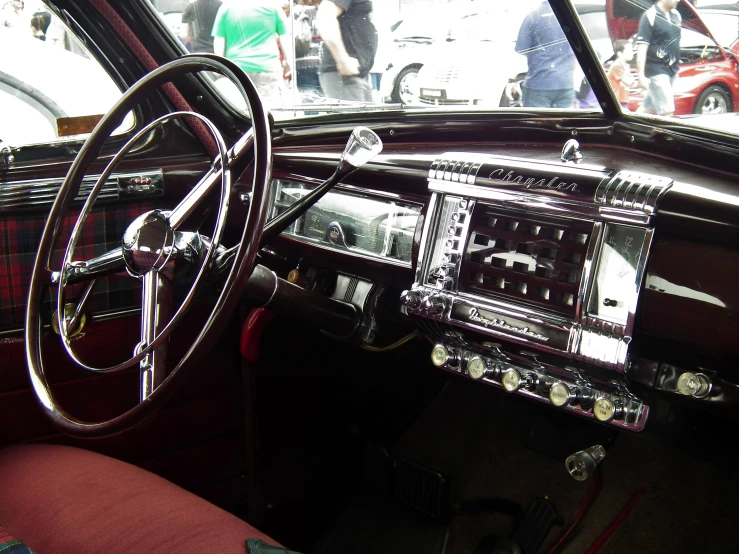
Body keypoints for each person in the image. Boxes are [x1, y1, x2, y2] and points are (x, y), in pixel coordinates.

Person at [211, 0, 293, 107]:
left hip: (237, 69)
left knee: (241, 112)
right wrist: (289, 62)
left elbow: (219, 40)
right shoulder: (273, 6)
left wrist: (219, 66)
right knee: (271, 112)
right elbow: (284, 38)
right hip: (268, 68)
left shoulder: (227, 7)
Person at [515, 1, 577, 109]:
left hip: (539, 83)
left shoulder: (533, 16)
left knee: (536, 124)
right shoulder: (571, 16)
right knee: (564, 123)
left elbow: (522, 49)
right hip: (566, 83)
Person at [316, 0, 378, 102]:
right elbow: (325, 15)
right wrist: (342, 59)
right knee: (356, 117)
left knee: (366, 117)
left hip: (356, 73)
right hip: (344, 75)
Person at [635, 0, 682, 116]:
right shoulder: (649, 16)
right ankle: (669, 134)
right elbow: (642, 48)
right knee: (667, 111)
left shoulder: (676, 15)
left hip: (672, 69)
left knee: (647, 108)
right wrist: (640, 76)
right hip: (657, 70)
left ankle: (624, 127)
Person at [607, 39, 635, 110]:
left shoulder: (625, 65)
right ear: (620, 54)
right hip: (617, 100)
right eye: (629, 50)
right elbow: (627, 81)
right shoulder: (617, 66)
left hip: (623, 98)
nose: (632, 52)